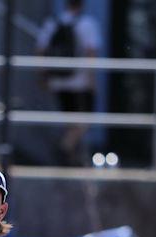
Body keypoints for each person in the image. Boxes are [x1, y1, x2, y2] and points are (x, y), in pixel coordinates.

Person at [36, 0, 102, 166]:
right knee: (83, 122)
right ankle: (64, 149)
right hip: (80, 83)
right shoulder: (87, 24)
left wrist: (43, 76)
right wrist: (92, 80)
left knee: (70, 122)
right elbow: (91, 52)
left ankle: (70, 156)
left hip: (58, 81)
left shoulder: (52, 23)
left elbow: (40, 50)